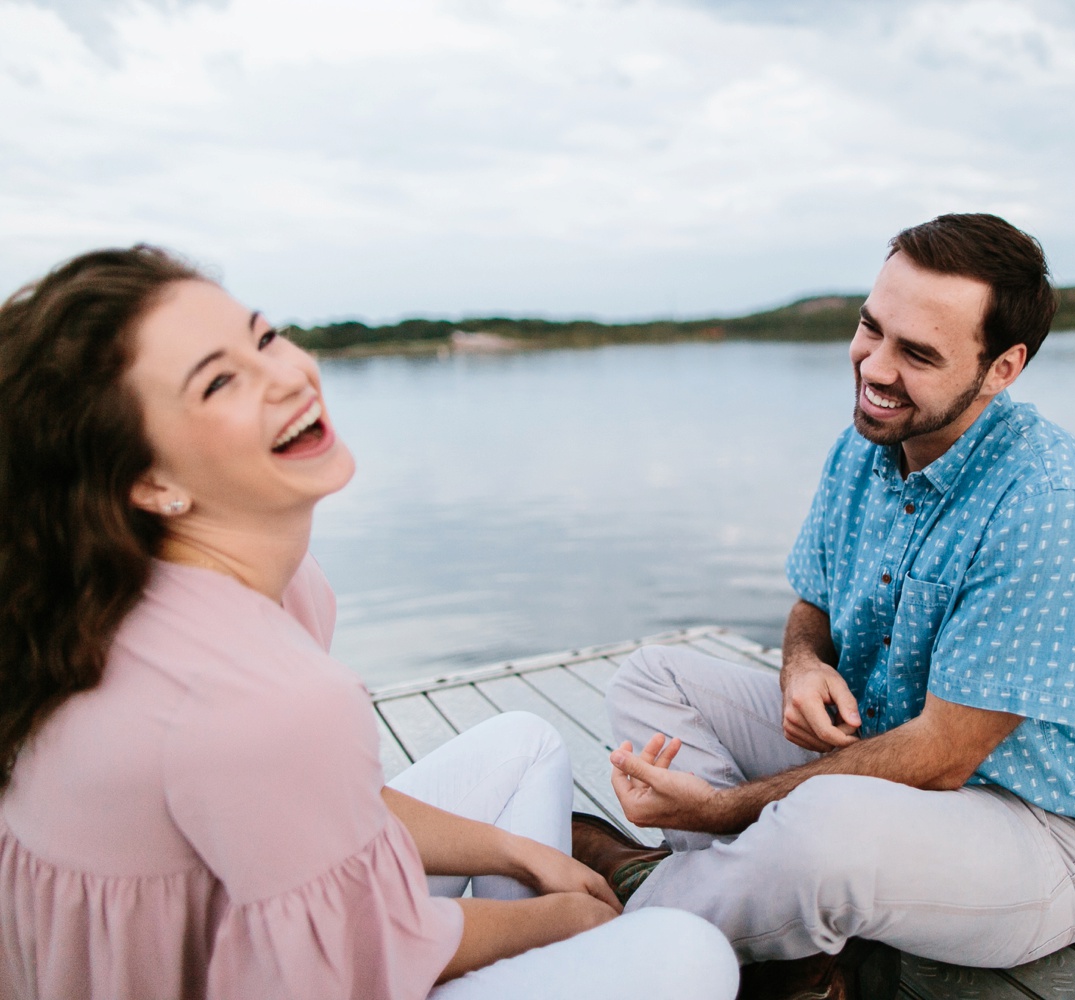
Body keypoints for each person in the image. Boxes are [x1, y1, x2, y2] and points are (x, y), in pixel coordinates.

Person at [0, 247, 739, 1000]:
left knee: (525, 745)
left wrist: (523, 856)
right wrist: (563, 924)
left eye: (264, 338)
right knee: (690, 955)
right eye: (220, 382)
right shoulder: (260, 693)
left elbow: (314, 812)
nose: (288, 375)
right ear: (150, 482)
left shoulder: (145, 591)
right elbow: (364, 961)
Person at [573, 214, 1075, 999]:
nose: (874, 365)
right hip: (870, 753)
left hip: (1026, 834)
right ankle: (784, 944)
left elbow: (943, 757)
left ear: (1002, 368)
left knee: (825, 825)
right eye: (872, 327)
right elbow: (813, 607)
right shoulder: (869, 441)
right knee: (651, 679)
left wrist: (725, 810)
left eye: (918, 353)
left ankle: (612, 919)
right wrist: (802, 666)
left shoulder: (1051, 502)